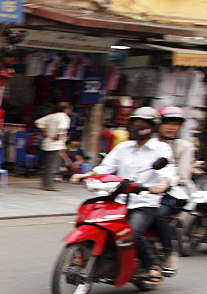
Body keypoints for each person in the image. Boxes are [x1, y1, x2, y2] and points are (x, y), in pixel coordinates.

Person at [71, 107, 176, 284]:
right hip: (117, 199)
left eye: (142, 124)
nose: (137, 127)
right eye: (135, 123)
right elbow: (105, 167)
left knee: (132, 233)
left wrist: (162, 185)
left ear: (152, 127)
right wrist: (86, 175)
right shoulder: (123, 147)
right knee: (92, 219)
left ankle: (151, 265)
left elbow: (167, 171)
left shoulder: (161, 148)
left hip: (144, 201)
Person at [156, 106, 196, 275]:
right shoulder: (149, 143)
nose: (171, 127)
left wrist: (163, 182)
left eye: (175, 123)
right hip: (143, 188)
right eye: (167, 122)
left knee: (158, 214)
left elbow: (183, 175)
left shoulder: (184, 146)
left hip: (173, 191)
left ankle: (169, 252)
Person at [35, 102, 72, 191]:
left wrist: (45, 132)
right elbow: (62, 128)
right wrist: (58, 136)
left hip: (47, 142)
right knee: (52, 165)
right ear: (66, 109)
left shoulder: (51, 116)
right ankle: (49, 185)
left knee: (48, 165)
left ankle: (46, 183)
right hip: (55, 144)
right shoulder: (64, 118)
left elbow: (38, 122)